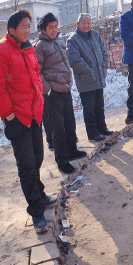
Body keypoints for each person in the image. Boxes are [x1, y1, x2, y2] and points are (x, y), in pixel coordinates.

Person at [0, 9, 57, 233]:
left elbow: (35, 75)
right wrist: (10, 116)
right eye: (23, 27)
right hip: (17, 119)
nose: (27, 30)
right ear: (12, 30)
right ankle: (36, 212)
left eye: (29, 26)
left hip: (33, 114)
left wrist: (40, 101)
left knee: (37, 158)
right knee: (26, 165)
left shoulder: (27, 48)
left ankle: (40, 194)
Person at [33, 13, 86, 175]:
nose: (54, 30)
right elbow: (37, 73)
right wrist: (47, 89)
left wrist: (68, 81)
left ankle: (72, 150)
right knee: (58, 128)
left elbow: (64, 62)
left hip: (65, 88)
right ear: (43, 29)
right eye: (50, 27)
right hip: (52, 92)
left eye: (56, 27)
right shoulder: (39, 46)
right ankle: (62, 161)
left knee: (70, 122)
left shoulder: (58, 40)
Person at [67, 13, 113, 144]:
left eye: (88, 23)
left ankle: (102, 128)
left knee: (99, 106)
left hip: (98, 77)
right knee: (89, 108)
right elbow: (74, 60)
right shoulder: (73, 40)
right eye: (84, 23)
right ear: (78, 24)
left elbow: (104, 52)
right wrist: (89, 70)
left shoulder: (95, 35)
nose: (87, 25)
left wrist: (103, 67)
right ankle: (92, 133)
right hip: (86, 80)